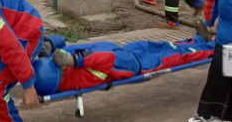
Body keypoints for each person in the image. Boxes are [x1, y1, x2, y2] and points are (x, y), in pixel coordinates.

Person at [32, 33, 215, 96]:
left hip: (126, 50)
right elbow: (108, 59)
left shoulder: (57, 62)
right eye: (61, 70)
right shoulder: (78, 79)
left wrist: (49, 43)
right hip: (137, 64)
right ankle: (213, 48)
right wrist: (76, 60)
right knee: (180, 55)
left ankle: (199, 40)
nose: (62, 66)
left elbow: (62, 40)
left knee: (166, 45)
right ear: (60, 79)